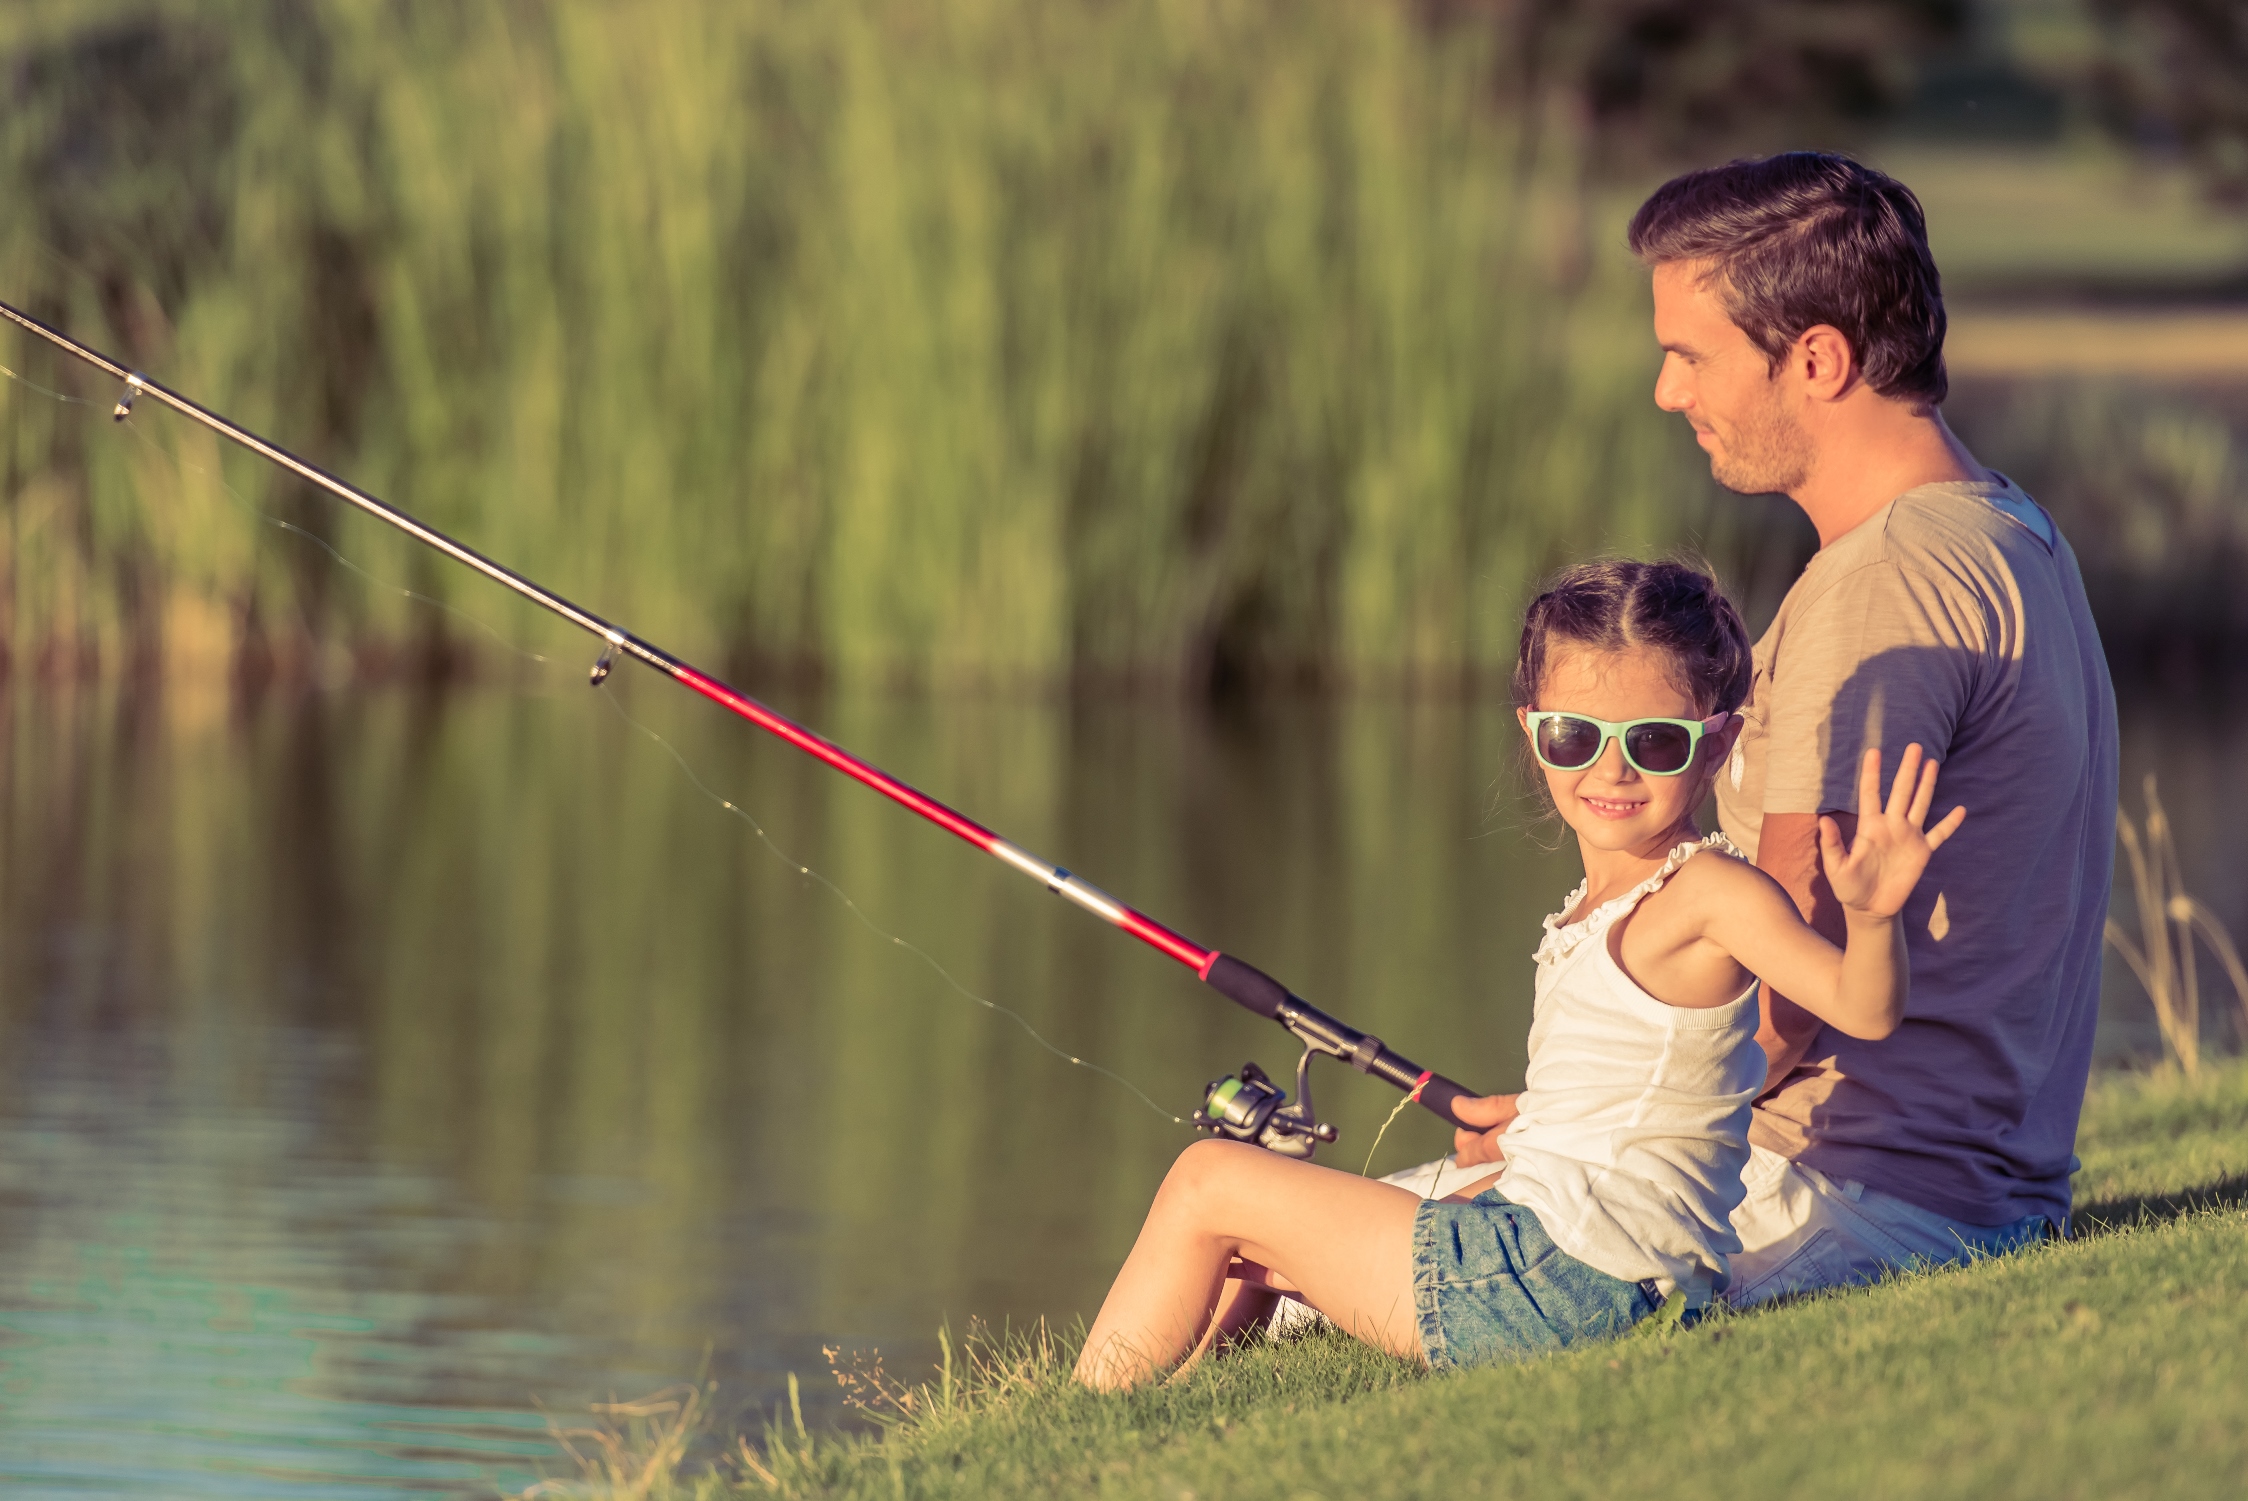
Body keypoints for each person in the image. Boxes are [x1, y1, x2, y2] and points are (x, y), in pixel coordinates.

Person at [1441, 153, 2120, 1305]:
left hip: (1847, 1185)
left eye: (1690, 356)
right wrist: (1586, 1107)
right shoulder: (2005, 527)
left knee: (1307, 1251)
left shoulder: (1883, 585)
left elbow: (1789, 999)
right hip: (1963, 1186)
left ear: (1816, 359)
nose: (1666, 392)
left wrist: (1590, 1131)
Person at [1074, 561, 1963, 1388]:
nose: (1610, 768)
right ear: (1534, 734)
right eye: (1575, 735)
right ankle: (1163, 1403)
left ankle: (1086, 1413)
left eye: (1654, 741)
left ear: (1718, 741)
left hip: (1566, 1284)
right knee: (1264, 1238)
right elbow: (1600, 1131)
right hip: (1581, 1271)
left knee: (1208, 1178)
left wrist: (1876, 918)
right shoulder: (1602, 904)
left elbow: (1863, 1007)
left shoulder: (1711, 893)